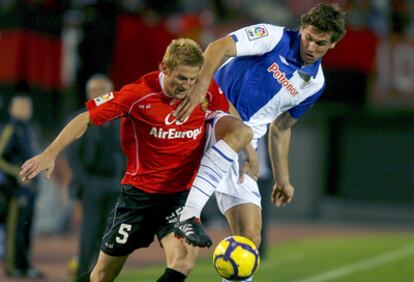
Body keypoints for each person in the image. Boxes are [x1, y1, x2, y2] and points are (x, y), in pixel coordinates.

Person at [19, 38, 253, 282]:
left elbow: (229, 114)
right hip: (139, 197)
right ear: (165, 67)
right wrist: (49, 153)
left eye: (193, 79)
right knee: (101, 275)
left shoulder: (204, 91)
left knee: (183, 261)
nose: (188, 85)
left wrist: (251, 152)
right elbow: (85, 119)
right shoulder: (139, 94)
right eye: (181, 78)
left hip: (180, 197)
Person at [175, 2, 346, 262]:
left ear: (333, 45)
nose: (311, 47)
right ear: (301, 29)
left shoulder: (315, 83)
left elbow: (281, 127)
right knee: (179, 250)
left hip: (244, 147)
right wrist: (201, 86)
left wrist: (283, 179)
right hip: (210, 120)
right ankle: (185, 216)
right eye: (308, 38)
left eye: (320, 43)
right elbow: (217, 47)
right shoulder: (272, 36)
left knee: (250, 240)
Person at [66, 74, 124, 280]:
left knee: (111, 236)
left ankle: (103, 276)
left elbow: (127, 152)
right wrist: (87, 183)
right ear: (88, 94)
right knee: (89, 234)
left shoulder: (121, 119)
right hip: (92, 184)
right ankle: (82, 273)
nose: (99, 94)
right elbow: (73, 158)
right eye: (95, 90)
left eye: (103, 90)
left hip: (115, 184)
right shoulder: (78, 119)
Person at [0, 95, 44, 278]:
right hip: (14, 189)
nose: (25, 109)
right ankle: (11, 267)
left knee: (27, 230)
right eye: (20, 106)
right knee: (14, 231)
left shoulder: (31, 129)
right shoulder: (11, 129)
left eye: (27, 106)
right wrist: (18, 175)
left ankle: (25, 266)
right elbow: (1, 157)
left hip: (30, 188)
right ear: (12, 109)